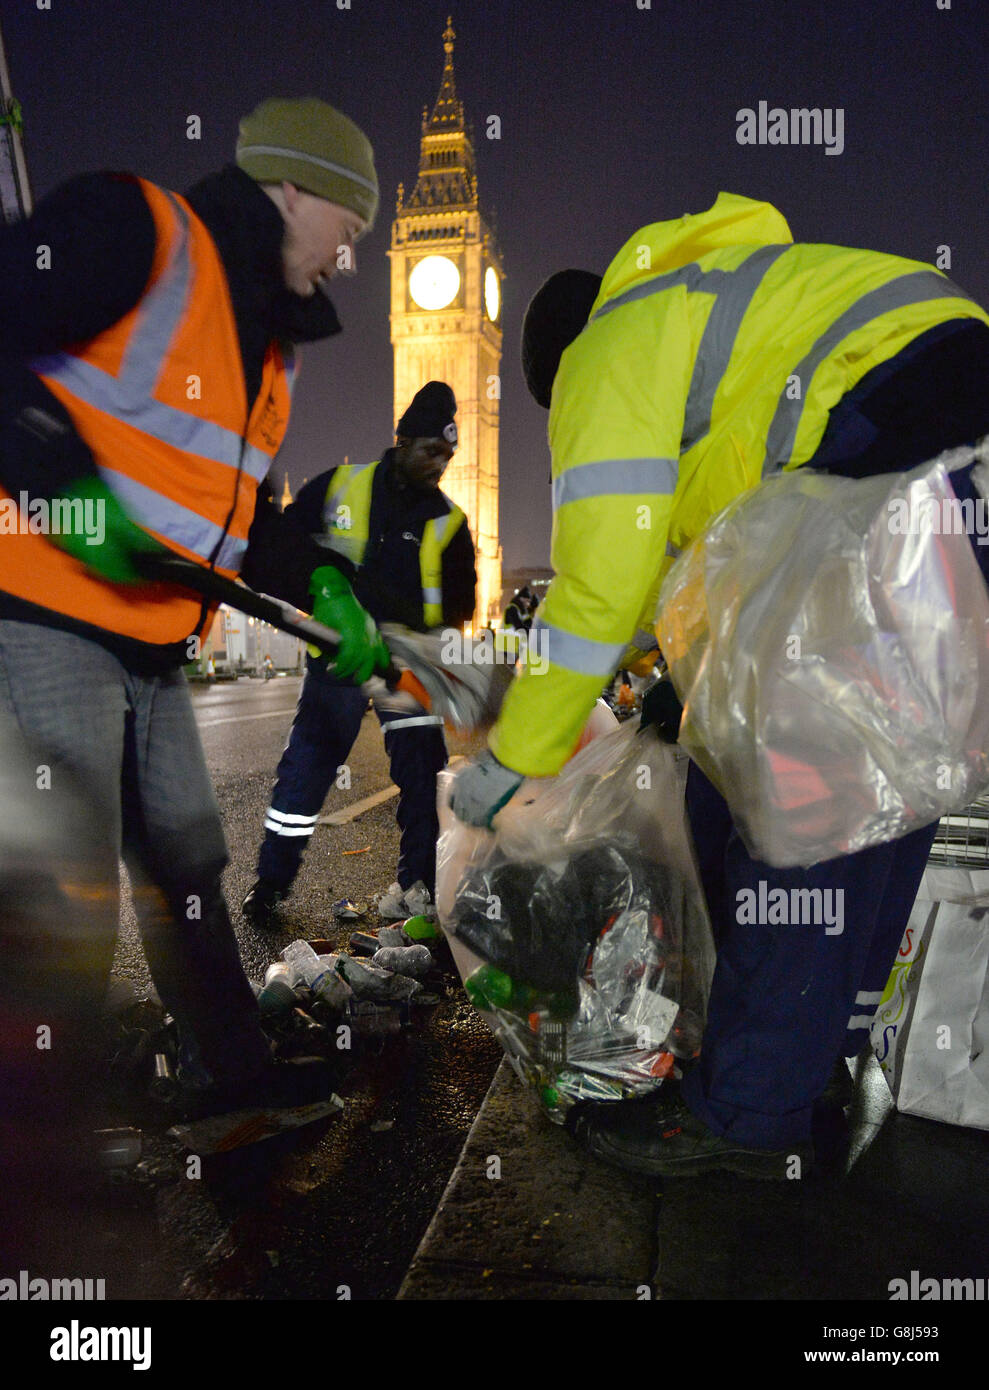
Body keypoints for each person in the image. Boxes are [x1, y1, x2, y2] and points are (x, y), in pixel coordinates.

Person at [451, 190, 989, 1178]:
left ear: (554, 367)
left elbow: (598, 589)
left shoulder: (609, 348)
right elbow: (703, 575)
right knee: (885, 764)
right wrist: (676, 684)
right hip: (948, 440)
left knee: (797, 794)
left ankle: (747, 1116)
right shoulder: (712, 334)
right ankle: (825, 1053)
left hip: (878, 435)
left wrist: (509, 761)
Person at [0, 96, 391, 1127]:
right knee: (66, 874)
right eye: (347, 231)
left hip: (149, 634)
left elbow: (247, 515)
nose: (345, 258)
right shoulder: (135, 230)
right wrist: (63, 491)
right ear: (293, 189)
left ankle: (231, 1078)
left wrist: (319, 579)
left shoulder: (271, 351)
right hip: (40, 608)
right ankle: (42, 1131)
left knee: (184, 858)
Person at [243, 381, 476, 929]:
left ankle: (418, 888)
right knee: (305, 773)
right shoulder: (340, 488)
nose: (439, 464)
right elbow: (286, 547)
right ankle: (271, 884)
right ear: (403, 440)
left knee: (422, 778)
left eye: (448, 455)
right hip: (341, 660)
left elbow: (460, 605)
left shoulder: (451, 524)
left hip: (408, 668)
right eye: (430, 451)